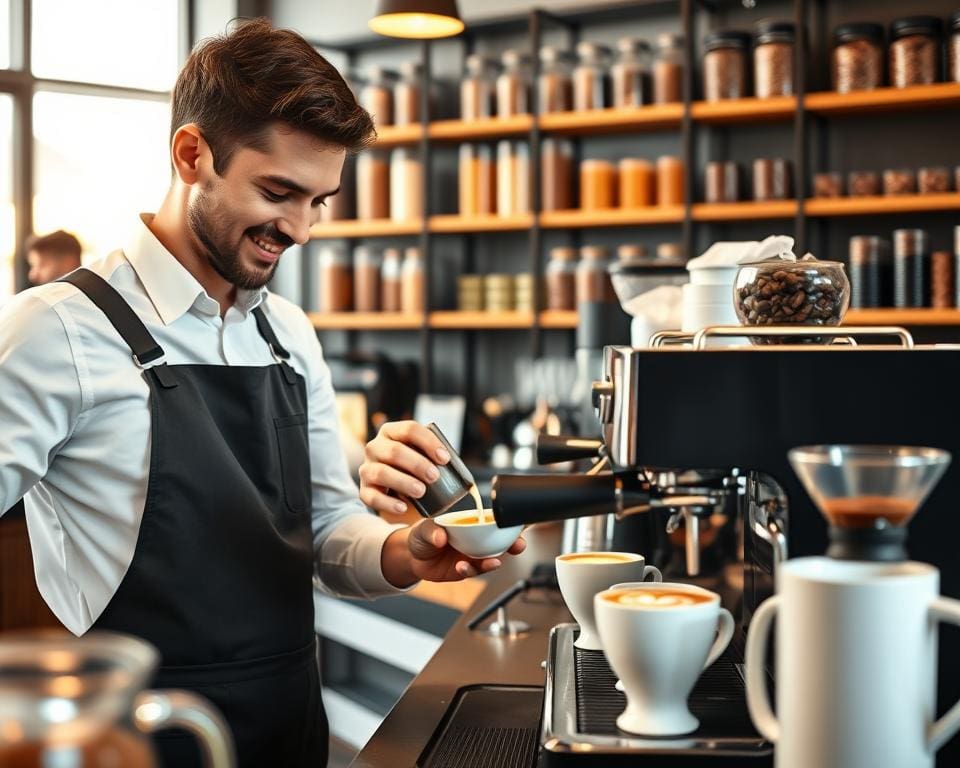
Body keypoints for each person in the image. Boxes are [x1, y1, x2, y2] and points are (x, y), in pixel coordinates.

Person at [0, 18, 524, 768]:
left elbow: (330, 531)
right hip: (145, 741)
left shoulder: (287, 334)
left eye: (320, 201)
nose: (304, 230)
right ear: (192, 156)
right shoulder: (54, 331)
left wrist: (410, 552)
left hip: (288, 727)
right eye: (280, 192)